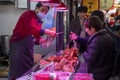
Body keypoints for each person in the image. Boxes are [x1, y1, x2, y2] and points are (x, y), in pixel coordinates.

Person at [8, 2, 56, 80]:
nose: (44, 13)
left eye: (46, 12)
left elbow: (36, 39)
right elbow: (33, 29)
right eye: (42, 10)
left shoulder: (39, 21)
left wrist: (47, 40)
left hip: (28, 51)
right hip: (18, 51)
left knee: (27, 73)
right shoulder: (28, 15)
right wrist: (49, 32)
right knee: (16, 74)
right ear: (37, 8)